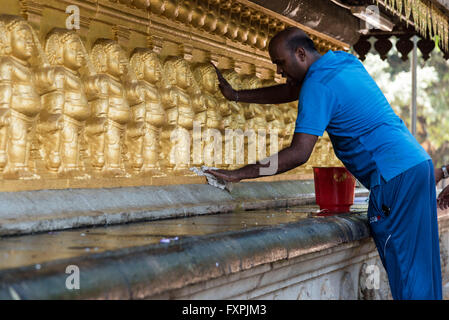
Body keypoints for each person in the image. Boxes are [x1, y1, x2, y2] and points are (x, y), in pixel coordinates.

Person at [207, 26, 442, 300]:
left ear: (300, 53)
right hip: (416, 165)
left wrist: (239, 174)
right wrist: (237, 95)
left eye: (281, 64)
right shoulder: (342, 62)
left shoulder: (317, 85)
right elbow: (293, 90)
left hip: (394, 177)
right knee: (422, 271)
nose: (280, 72)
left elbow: (299, 153)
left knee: (406, 272)